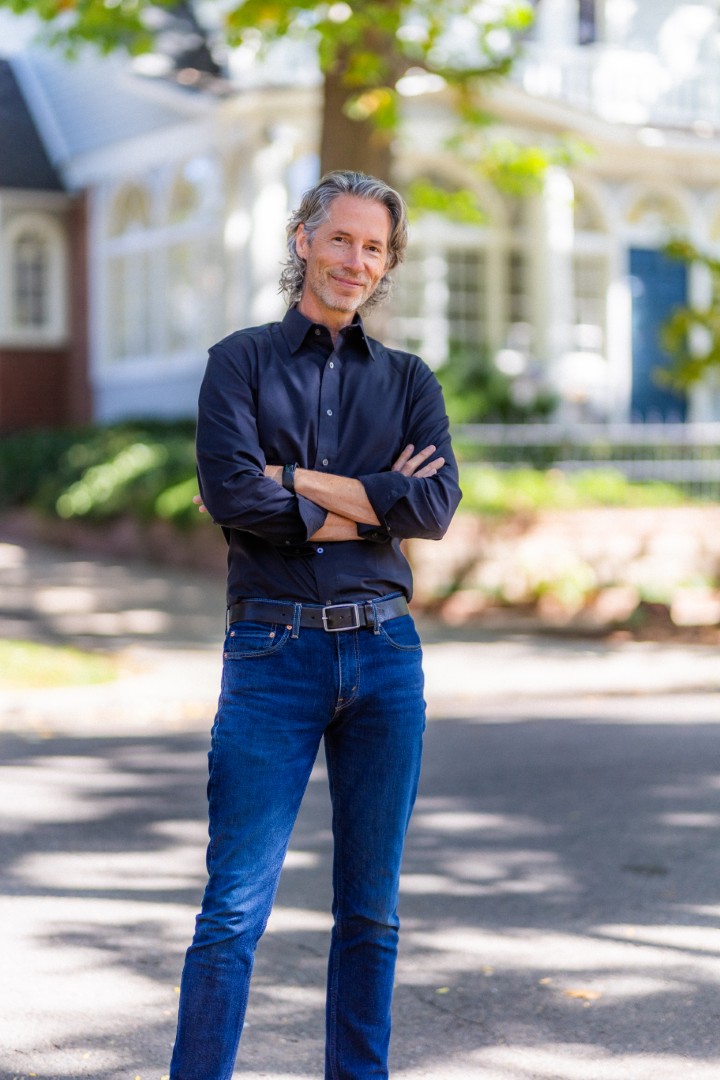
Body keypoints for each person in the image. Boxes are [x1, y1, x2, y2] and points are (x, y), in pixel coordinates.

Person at [170, 170, 462, 1080]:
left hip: (384, 654)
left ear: (387, 265)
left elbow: (437, 506)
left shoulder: (411, 381)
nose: (355, 261)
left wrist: (292, 478)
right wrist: (378, 500)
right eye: (340, 239)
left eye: (374, 248)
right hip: (272, 650)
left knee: (372, 911)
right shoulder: (240, 362)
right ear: (303, 239)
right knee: (234, 910)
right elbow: (231, 492)